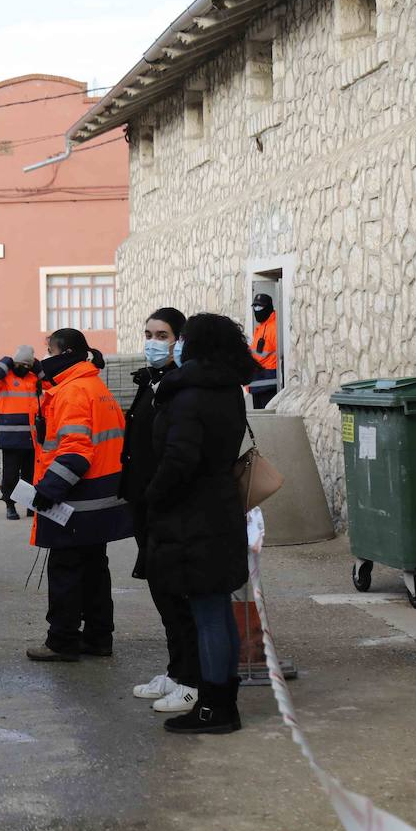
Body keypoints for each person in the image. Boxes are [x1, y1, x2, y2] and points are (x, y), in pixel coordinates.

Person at [146, 313, 253, 733]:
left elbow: (180, 459)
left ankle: (213, 709)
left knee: (207, 611)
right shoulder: (228, 390)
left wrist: (154, 497)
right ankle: (223, 702)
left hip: (194, 516)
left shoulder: (189, 395)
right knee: (218, 608)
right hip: (220, 509)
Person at [24, 329, 132, 662]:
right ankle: (99, 638)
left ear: (65, 353)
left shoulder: (71, 392)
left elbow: (75, 451)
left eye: (49, 350)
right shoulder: (95, 386)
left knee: (66, 572)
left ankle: (62, 641)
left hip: (74, 502)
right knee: (95, 570)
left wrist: (48, 491)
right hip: (99, 499)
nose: (45, 357)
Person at [119, 308, 201, 715]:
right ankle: (176, 669)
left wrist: (156, 493)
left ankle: (191, 679)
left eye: (162, 335)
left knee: (177, 594)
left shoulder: (180, 386)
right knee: (161, 592)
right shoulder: (151, 381)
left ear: (180, 341)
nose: (153, 341)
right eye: (149, 333)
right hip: (146, 503)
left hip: (167, 505)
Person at [0, 346, 40, 520]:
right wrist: (5, 361)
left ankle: (31, 505)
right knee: (10, 475)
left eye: (27, 365)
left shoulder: (32, 378)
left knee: (30, 475)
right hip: (10, 438)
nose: (23, 367)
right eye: (19, 364)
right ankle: (9, 504)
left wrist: (38, 366)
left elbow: (50, 382)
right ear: (14, 363)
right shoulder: (4, 379)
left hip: (31, 437)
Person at [248, 293, 279, 409]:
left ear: (269, 308)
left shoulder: (274, 327)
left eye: (260, 307)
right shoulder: (261, 327)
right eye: (255, 307)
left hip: (269, 384)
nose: (257, 310)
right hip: (258, 382)